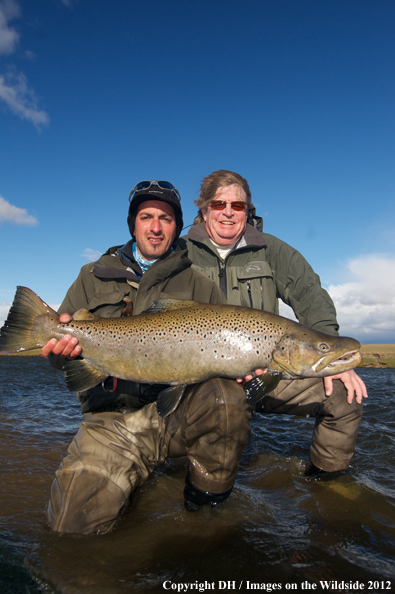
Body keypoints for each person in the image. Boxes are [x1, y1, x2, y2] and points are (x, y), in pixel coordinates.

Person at [42, 180, 253, 534]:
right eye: (147, 217)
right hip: (112, 421)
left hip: (177, 415)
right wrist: (61, 354)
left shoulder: (199, 284)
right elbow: (59, 359)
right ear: (133, 223)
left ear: (177, 226)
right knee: (71, 527)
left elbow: (231, 349)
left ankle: (205, 510)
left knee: (227, 397)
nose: (156, 227)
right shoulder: (91, 276)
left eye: (167, 219)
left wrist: (244, 366)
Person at [177, 169, 368, 479]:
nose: (228, 212)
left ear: (247, 211)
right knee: (218, 409)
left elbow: (310, 295)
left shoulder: (272, 250)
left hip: (272, 373)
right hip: (206, 382)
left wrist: (333, 355)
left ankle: (328, 486)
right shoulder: (180, 252)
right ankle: (205, 499)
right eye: (219, 204)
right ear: (203, 210)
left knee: (345, 397)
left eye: (237, 206)